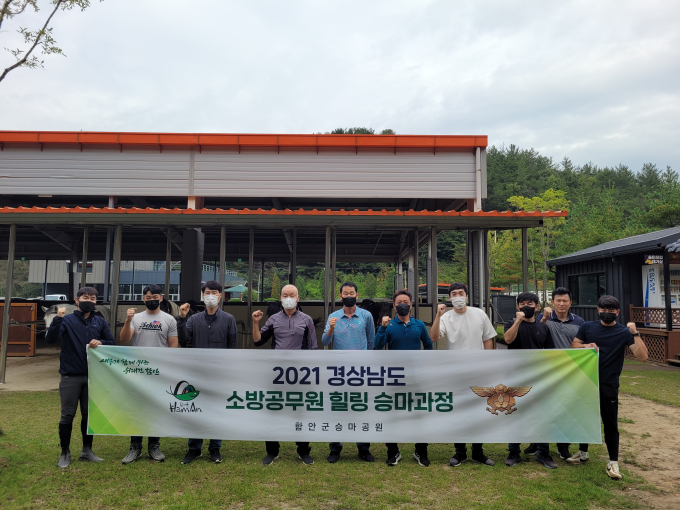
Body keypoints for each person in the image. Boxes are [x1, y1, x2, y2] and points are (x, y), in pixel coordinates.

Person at [568, 295, 648, 480]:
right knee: (585, 417)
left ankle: (613, 462)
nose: (607, 313)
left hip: (609, 383)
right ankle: (583, 452)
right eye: (604, 310)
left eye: (611, 311)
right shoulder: (587, 327)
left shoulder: (623, 332)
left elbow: (642, 356)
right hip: (586, 381)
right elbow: (574, 345)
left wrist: (634, 332)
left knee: (610, 422)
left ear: (617, 312)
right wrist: (587, 346)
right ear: (598, 310)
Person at [46, 287, 115, 468]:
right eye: (85, 297)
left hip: (93, 376)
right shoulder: (67, 320)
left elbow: (111, 342)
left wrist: (101, 342)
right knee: (67, 415)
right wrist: (57, 319)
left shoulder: (99, 322)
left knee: (88, 415)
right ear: (77, 300)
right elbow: (51, 339)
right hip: (70, 376)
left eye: (93, 298)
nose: (89, 300)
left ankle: (87, 450)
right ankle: (65, 452)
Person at [430, 282, 497, 468]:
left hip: (478, 371)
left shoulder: (479, 314)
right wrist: (437, 316)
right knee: (458, 411)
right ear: (450, 297)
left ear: (466, 296)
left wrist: (488, 365)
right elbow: (434, 337)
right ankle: (460, 452)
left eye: (460, 293)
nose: (457, 296)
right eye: (453, 294)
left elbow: (488, 339)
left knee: (478, 412)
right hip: (455, 372)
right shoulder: (446, 317)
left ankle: (478, 451)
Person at [252, 284, 318, 465]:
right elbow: (258, 341)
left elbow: (313, 348)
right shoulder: (273, 319)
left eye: (292, 295)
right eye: (284, 295)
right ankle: (272, 451)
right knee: (273, 411)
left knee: (300, 412)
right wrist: (255, 323)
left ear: (298, 298)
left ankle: (303, 450)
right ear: (280, 297)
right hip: (277, 374)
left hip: (300, 374)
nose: (288, 297)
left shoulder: (306, 320)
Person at [521, 287, 586, 461]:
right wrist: (545, 318)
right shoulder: (544, 318)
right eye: (558, 300)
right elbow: (536, 335)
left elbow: (582, 344)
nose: (561, 303)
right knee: (541, 407)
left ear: (570, 302)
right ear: (552, 302)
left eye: (565, 300)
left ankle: (563, 446)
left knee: (564, 409)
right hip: (546, 370)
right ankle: (536, 443)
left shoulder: (579, 322)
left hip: (570, 371)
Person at [177, 280, 238, 465]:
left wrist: (230, 371)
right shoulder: (194, 319)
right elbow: (183, 340)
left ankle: (215, 448)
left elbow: (233, 347)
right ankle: (194, 448)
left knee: (216, 411)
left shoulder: (229, 319)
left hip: (219, 374)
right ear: (203, 296)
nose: (210, 295)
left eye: (214, 292)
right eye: (207, 292)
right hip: (197, 373)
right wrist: (181, 318)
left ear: (220, 296)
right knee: (195, 410)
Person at [119, 284, 179, 465]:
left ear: (161, 298)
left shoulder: (169, 319)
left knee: (156, 408)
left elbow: (173, 345)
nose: (151, 300)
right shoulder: (135, 318)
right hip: (138, 370)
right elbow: (124, 338)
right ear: (143, 299)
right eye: (148, 297)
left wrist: (167, 367)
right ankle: (134, 447)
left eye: (155, 297)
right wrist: (128, 320)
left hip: (159, 372)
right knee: (136, 408)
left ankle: (154, 446)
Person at [374, 289, 432, 467]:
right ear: (394, 306)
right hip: (394, 377)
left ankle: (421, 451)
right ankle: (393, 451)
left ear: (411, 304)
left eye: (405, 301)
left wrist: (427, 367)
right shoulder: (389, 326)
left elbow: (428, 346)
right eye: (399, 302)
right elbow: (377, 347)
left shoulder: (419, 325)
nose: (402, 305)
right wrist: (382, 328)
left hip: (415, 376)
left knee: (418, 414)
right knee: (392, 414)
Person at [322, 281, 376, 463]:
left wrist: (366, 362)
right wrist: (330, 328)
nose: (348, 296)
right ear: (340, 296)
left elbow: (371, 341)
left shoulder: (366, 316)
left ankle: (363, 447)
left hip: (360, 371)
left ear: (357, 295)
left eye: (351, 293)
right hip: (338, 371)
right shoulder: (334, 317)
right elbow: (324, 341)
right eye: (345, 293)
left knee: (361, 407)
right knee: (337, 407)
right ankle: (335, 448)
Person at [503, 292, 557, 469]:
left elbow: (550, 354)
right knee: (515, 414)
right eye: (523, 303)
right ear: (518, 307)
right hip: (515, 376)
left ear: (537, 307)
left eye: (531, 303)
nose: (527, 306)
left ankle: (543, 452)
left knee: (542, 415)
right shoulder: (511, 323)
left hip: (538, 378)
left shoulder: (544, 328)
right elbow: (508, 339)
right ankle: (514, 451)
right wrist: (518, 321)